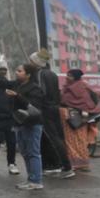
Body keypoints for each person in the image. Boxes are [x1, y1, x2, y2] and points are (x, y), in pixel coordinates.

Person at [0, 59, 46, 190]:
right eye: (17, 70)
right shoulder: (16, 84)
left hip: (32, 124)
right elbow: (0, 82)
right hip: (19, 123)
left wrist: (17, 96)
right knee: (25, 153)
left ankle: (36, 180)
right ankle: (30, 179)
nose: (16, 72)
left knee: (33, 152)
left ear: (28, 75)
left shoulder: (35, 88)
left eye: (20, 71)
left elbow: (34, 108)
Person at [30, 49, 75, 179]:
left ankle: (66, 167)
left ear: (36, 63)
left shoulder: (40, 74)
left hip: (45, 109)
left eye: (31, 61)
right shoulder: (52, 74)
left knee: (53, 138)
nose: (29, 63)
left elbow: (42, 93)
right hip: (54, 108)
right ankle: (55, 165)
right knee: (57, 137)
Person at [60, 69, 100, 171]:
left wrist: (82, 112)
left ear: (76, 77)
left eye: (70, 76)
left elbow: (87, 103)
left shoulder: (81, 87)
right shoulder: (67, 87)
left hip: (79, 121)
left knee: (80, 141)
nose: (67, 77)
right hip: (68, 121)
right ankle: (73, 163)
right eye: (67, 75)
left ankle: (82, 163)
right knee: (70, 142)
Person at [0, 63, 20, 175]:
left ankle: (12, 164)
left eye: (5, 70)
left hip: (9, 117)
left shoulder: (9, 84)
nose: (3, 71)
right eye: (0, 69)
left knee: (12, 142)